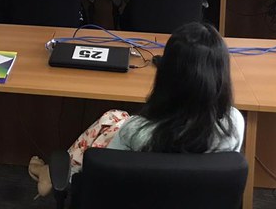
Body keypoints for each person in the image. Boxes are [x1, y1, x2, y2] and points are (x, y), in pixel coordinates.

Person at [28, 22, 244, 197]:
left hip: (133, 198)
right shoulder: (234, 123)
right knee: (114, 118)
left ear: (167, 76)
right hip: (195, 199)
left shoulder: (137, 131)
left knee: (114, 122)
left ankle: (56, 173)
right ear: (221, 76)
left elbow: (105, 174)